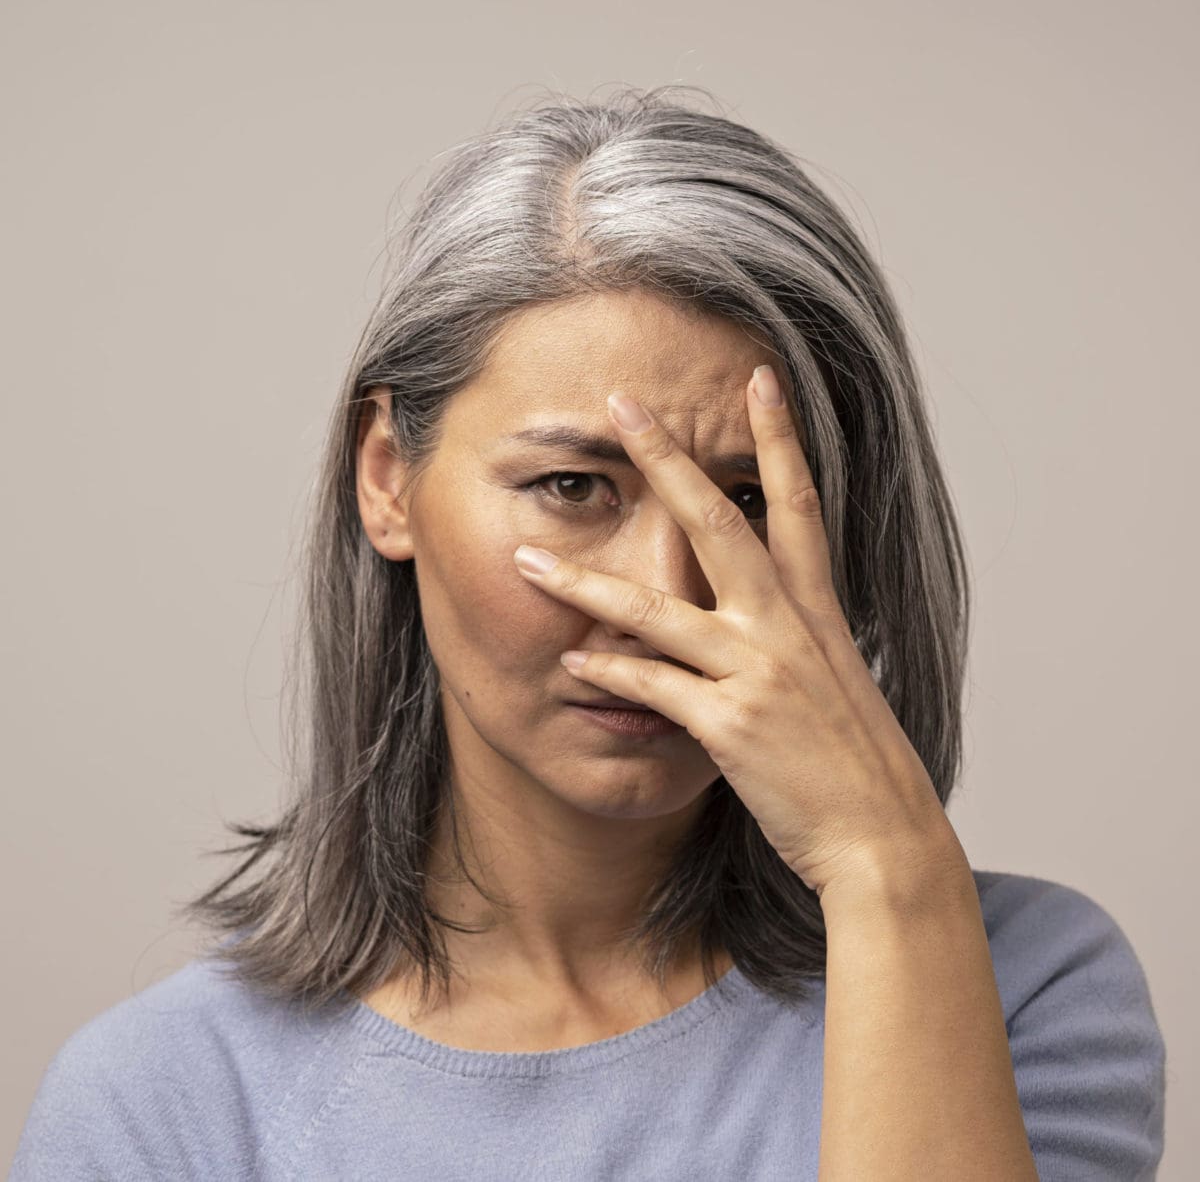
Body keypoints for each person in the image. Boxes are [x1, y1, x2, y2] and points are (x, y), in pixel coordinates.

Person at [11, 85, 1165, 1180]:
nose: (661, 593)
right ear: (387, 479)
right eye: (573, 485)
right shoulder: (166, 1104)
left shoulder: (1016, 986)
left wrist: (883, 861)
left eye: (746, 501)